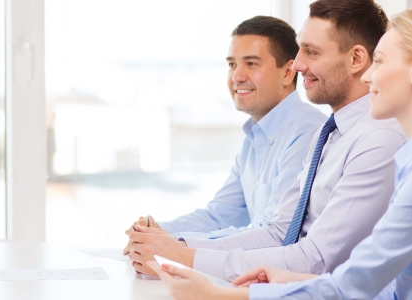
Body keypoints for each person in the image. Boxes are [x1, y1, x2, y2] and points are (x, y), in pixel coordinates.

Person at [148, 8, 412, 299]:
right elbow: (378, 280)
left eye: (378, 62)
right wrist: (286, 281)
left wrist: (221, 294)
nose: (369, 78)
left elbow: (353, 283)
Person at [128, 0, 404, 284]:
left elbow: (315, 259)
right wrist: (174, 246)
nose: (298, 64)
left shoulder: (377, 139)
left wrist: (183, 255)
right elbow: (279, 231)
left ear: (356, 60)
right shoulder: (329, 133)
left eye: (310, 51)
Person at [123, 15, 326, 250]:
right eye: (232, 64)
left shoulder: (307, 133)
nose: (237, 76)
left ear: (288, 72)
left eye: (251, 64)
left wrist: (176, 244)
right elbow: (221, 215)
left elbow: (275, 235)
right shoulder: (255, 139)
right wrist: (156, 231)